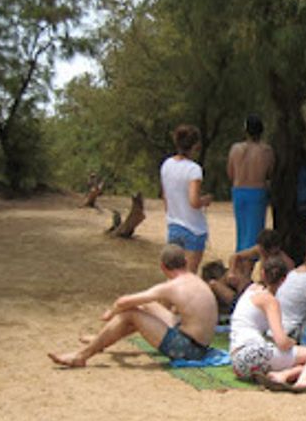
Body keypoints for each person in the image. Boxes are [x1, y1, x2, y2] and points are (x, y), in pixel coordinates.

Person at [48, 245, 218, 367]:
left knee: (129, 314)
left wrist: (111, 312)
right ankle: (101, 340)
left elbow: (123, 302)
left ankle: (81, 356)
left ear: (163, 267)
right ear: (185, 263)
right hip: (196, 341)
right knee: (146, 305)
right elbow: (140, 300)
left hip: (188, 349)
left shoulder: (171, 286)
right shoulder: (194, 280)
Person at [229, 257, 306, 393]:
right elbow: (282, 341)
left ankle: (282, 375)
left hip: (237, 361)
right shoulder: (270, 301)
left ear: (262, 274)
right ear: (284, 280)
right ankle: (303, 380)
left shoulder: (251, 290)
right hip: (255, 353)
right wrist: (292, 342)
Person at [160, 124, 212, 273]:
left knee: (173, 274)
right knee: (189, 275)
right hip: (193, 228)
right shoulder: (194, 169)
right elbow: (194, 201)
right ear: (195, 145)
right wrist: (205, 200)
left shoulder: (167, 165)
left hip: (174, 224)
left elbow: (165, 196)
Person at [227, 114, 275, 252]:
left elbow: (230, 173)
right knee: (254, 234)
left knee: (241, 232)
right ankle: (247, 265)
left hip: (238, 191)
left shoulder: (235, 149)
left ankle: (240, 258)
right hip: (257, 192)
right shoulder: (266, 151)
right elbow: (270, 173)